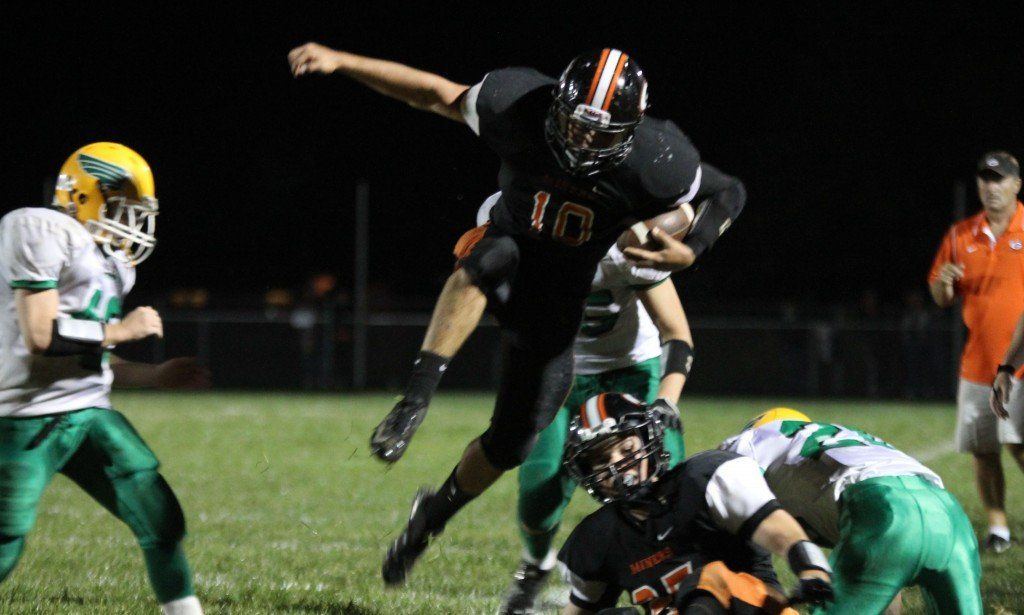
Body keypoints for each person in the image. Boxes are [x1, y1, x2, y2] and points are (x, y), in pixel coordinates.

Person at [289, 43, 745, 584]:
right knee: (489, 256)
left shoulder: (658, 161)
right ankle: (412, 402)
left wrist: (693, 247)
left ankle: (428, 519)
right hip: (512, 242)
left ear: (629, 133)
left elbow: (728, 193)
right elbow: (432, 92)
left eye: (599, 135)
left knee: (511, 442)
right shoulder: (515, 103)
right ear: (557, 104)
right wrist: (344, 61)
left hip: (558, 299)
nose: (580, 142)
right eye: (575, 125)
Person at [442, 195, 693, 614]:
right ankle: (536, 565)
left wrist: (667, 400)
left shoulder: (623, 243)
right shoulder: (519, 254)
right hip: (559, 376)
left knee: (660, 488)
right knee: (538, 494)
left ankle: (679, 577)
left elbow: (676, 332)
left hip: (631, 370)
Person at [0, 143, 207, 615]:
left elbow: (91, 361)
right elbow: (40, 335)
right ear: (82, 194)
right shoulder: (38, 228)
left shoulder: (112, 263)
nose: (129, 221)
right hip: (22, 419)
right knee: (5, 539)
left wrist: (155, 374)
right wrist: (123, 329)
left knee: (159, 517)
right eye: (120, 206)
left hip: (89, 412)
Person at [558, 394, 832, 614]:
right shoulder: (599, 536)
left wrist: (812, 569)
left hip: (753, 608)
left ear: (649, 440)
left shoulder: (704, 480)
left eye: (627, 450)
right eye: (601, 461)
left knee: (709, 581)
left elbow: (780, 531)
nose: (616, 465)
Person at [721, 408, 982, 615]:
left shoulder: (758, 437)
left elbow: (709, 478)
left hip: (883, 509)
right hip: (950, 515)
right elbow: (885, 571)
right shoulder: (839, 436)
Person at [928, 151, 1024, 552]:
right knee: (983, 450)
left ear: (1016, 185)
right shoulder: (960, 234)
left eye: (999, 179)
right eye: (984, 179)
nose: (990, 186)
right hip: (977, 366)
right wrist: (944, 284)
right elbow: (939, 296)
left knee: (1020, 445)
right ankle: (998, 527)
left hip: (1020, 366)